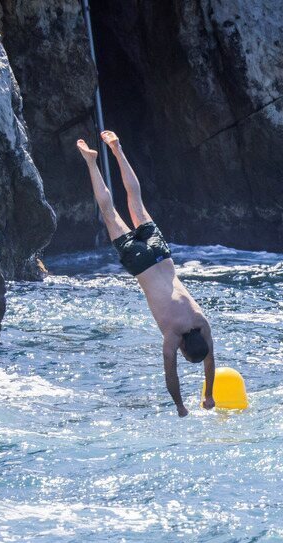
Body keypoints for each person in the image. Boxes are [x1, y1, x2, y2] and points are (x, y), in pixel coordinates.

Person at [77, 131, 215, 417]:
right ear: (182, 349)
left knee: (135, 200)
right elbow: (171, 377)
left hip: (162, 256)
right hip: (140, 264)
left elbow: (211, 360)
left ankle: (116, 149)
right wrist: (180, 406)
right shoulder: (172, 336)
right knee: (108, 210)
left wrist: (210, 391)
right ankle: (91, 162)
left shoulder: (202, 323)